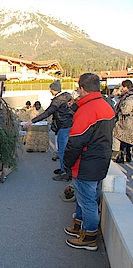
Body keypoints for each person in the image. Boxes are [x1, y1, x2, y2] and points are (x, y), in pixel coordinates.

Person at [63, 73, 115, 251]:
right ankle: (79, 225)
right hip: (101, 159)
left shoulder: (87, 110)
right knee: (85, 196)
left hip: (86, 162)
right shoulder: (106, 105)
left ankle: (89, 236)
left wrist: (67, 163)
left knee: (87, 200)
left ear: (82, 89)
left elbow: (76, 141)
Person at [22, 80, 74, 181]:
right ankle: (65, 169)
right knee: (65, 150)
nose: (50, 91)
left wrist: (31, 121)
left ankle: (65, 173)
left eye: (51, 89)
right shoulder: (67, 96)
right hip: (69, 125)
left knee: (62, 150)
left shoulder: (58, 100)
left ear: (54, 89)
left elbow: (47, 113)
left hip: (63, 126)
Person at [113, 79, 133, 163]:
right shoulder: (127, 96)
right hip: (126, 122)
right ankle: (124, 155)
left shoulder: (130, 97)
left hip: (127, 122)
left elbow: (126, 110)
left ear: (127, 87)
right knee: (124, 139)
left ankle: (116, 154)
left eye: (123, 87)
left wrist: (121, 107)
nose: (121, 89)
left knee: (116, 134)